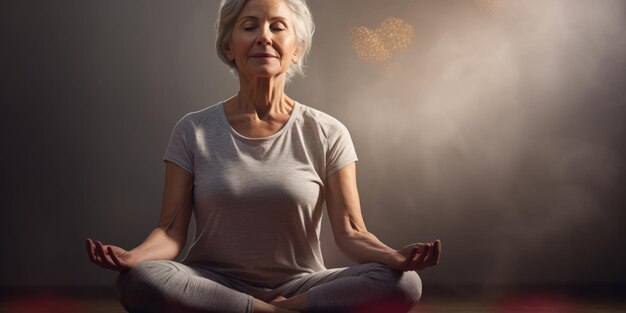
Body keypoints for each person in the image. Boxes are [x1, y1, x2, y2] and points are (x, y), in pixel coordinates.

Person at [85, 0, 442, 312]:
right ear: (228, 46)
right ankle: (264, 310)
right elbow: (170, 231)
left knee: (404, 282)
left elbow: (351, 231)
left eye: (278, 26)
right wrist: (133, 258)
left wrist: (394, 258)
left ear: (296, 48)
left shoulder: (328, 132)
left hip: (301, 285)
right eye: (249, 25)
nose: (264, 37)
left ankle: (269, 309)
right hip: (211, 284)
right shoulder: (193, 130)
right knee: (140, 280)